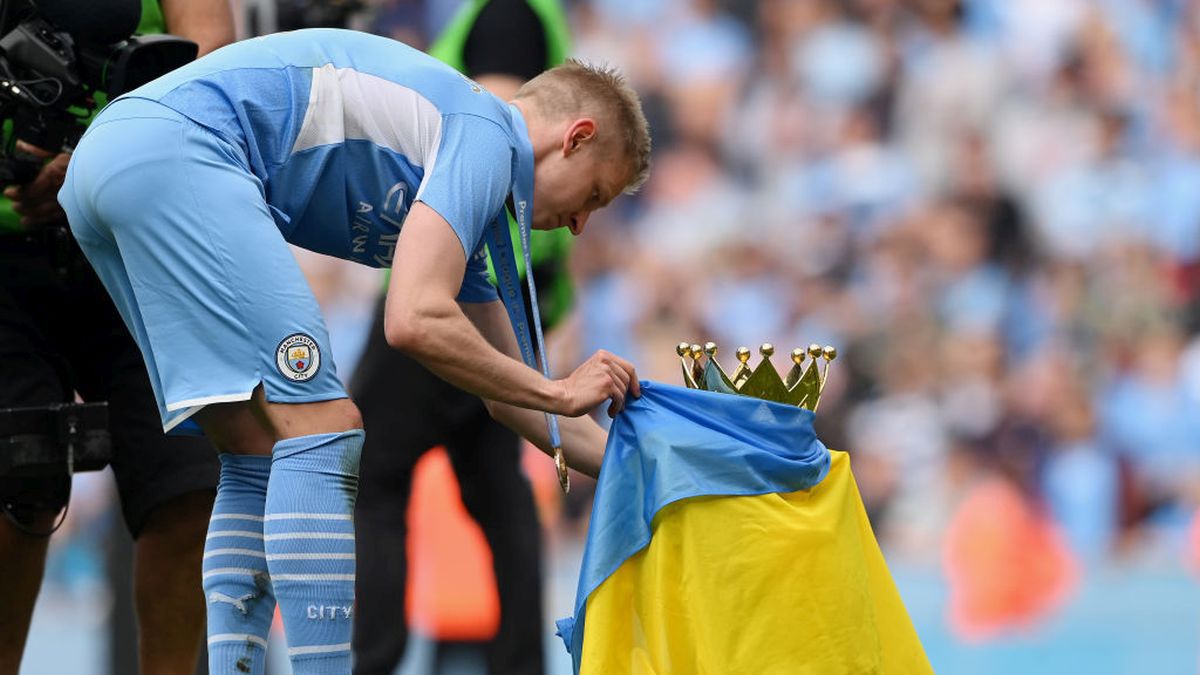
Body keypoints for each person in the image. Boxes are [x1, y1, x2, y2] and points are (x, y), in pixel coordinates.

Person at [58, 27, 650, 675]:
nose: (579, 225)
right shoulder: (485, 131)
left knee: (253, 454)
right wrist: (557, 388)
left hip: (106, 164)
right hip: (181, 153)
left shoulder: (468, 195)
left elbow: (511, 399)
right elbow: (414, 318)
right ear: (576, 137)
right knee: (327, 427)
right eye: (593, 195)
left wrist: (651, 468)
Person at [0, 2, 234, 674]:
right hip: (7, 253)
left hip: (132, 234)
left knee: (190, 487)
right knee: (19, 482)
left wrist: (95, 159)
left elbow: (211, 50)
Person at [351, 2, 574, 673]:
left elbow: (495, 145)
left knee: (376, 482)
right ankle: (520, 662)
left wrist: (464, 286)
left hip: (457, 281)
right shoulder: (532, 17)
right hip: (499, 284)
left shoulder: (503, 14)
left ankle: (375, 661)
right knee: (497, 491)